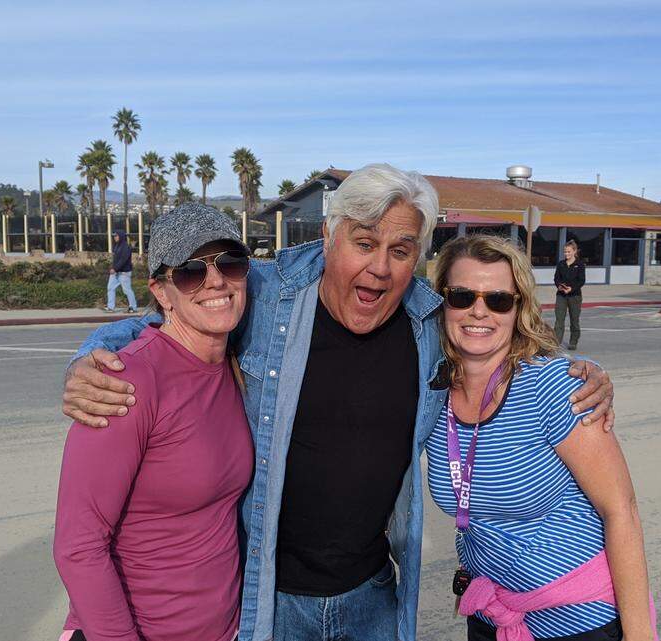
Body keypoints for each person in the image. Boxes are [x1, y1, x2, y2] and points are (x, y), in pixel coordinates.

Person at [60, 164, 618, 641]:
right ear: (330, 237)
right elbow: (174, 313)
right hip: (270, 600)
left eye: (400, 250)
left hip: (374, 596)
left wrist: (588, 373)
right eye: (365, 243)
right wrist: (90, 357)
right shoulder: (270, 293)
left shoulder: (427, 323)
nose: (380, 266)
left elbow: (495, 340)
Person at [428, 234, 656, 641]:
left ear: (518, 309)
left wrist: (640, 635)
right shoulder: (432, 393)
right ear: (442, 301)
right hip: (493, 616)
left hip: (579, 621)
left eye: (498, 299)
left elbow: (621, 511)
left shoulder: (550, 387)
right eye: (461, 296)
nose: (478, 311)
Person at [53, 203, 254, 641]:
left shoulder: (234, 367)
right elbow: (78, 546)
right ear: (162, 292)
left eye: (230, 263)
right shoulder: (126, 381)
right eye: (190, 272)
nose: (216, 280)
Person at [552, 240, 585, 350]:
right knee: (559, 320)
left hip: (574, 296)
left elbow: (581, 281)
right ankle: (556, 343)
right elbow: (556, 278)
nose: (566, 254)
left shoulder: (579, 264)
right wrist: (559, 286)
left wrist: (571, 289)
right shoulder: (561, 264)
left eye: (569, 252)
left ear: (574, 251)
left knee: (574, 320)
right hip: (561, 295)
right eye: (565, 252)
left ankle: (573, 341)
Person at [106, 229, 138, 312]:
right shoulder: (116, 246)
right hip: (116, 272)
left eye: (116, 236)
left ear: (121, 236)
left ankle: (133, 307)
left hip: (124, 272)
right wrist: (113, 268)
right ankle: (110, 307)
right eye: (114, 236)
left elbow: (123, 260)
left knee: (127, 290)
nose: (115, 238)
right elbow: (116, 260)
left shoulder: (126, 247)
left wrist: (115, 268)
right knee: (110, 288)